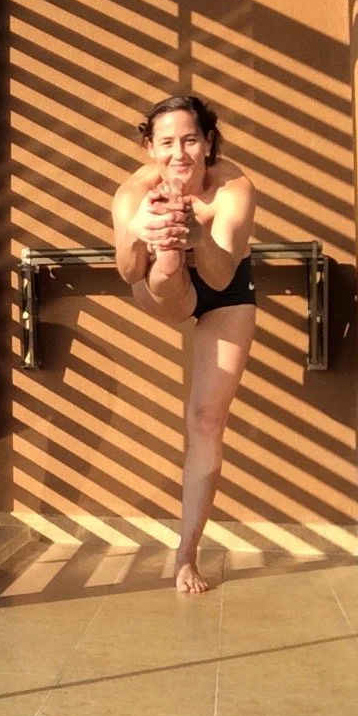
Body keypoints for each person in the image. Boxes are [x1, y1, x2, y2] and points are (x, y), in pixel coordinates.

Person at [110, 96, 256, 593]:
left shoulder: (233, 188)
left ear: (208, 143)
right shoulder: (133, 193)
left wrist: (198, 233)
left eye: (190, 140)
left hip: (223, 282)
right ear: (150, 147)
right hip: (162, 284)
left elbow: (220, 274)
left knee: (206, 420)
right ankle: (169, 253)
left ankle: (186, 555)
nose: (179, 153)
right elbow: (128, 271)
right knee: (165, 264)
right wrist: (139, 234)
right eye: (167, 142)